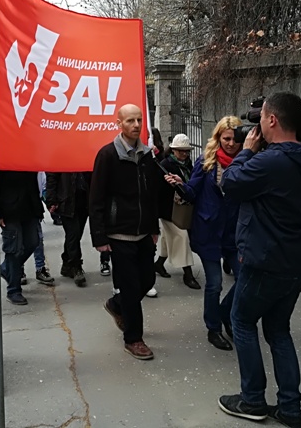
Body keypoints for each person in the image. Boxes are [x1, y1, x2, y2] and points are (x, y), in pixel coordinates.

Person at [217, 92, 301, 428]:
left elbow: (230, 183)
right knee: (278, 330)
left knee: (241, 321)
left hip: (266, 261)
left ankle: (252, 400)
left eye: (262, 116)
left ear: (272, 120)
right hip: (297, 261)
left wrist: (247, 151)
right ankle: (290, 408)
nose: (258, 122)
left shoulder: (269, 161)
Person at [90, 103, 162, 360]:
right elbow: (96, 198)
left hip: (144, 233)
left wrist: (153, 227)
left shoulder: (147, 155)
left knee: (148, 280)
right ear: (119, 123)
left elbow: (151, 195)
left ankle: (116, 305)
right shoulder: (107, 155)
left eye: (139, 120)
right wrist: (99, 236)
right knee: (131, 288)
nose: (136, 125)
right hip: (119, 234)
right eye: (130, 120)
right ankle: (134, 339)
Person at [165, 118, 243, 351]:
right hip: (209, 230)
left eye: (234, 139)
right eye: (226, 138)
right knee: (214, 284)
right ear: (218, 138)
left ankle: (225, 313)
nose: (230, 143)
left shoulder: (246, 161)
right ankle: (213, 329)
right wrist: (180, 184)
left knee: (245, 278)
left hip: (235, 232)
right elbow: (192, 192)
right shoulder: (206, 161)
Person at [154, 134, 201, 290]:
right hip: (168, 209)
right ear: (173, 150)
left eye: (186, 150)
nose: (184, 153)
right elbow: (158, 190)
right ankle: (188, 274)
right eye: (181, 150)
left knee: (169, 237)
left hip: (182, 209)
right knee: (181, 237)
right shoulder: (165, 165)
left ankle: (159, 264)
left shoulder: (188, 164)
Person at [0, 168, 45, 305]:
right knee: (14, 250)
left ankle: (6, 268)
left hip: (30, 207)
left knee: (33, 242)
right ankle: (14, 290)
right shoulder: (2, 159)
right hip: (9, 211)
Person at [46, 171, 91, 287]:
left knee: (76, 235)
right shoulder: (60, 160)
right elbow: (52, 177)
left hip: (83, 201)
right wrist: (51, 200)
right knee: (73, 234)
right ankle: (76, 266)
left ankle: (67, 262)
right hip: (67, 201)